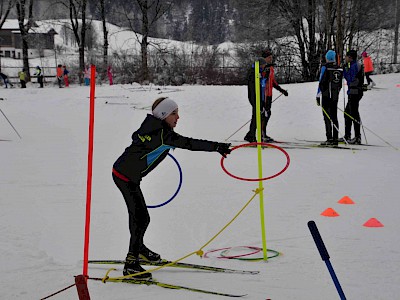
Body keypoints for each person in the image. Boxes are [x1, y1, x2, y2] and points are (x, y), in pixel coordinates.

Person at [112, 97, 231, 278]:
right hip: (125, 178)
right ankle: (131, 263)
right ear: (163, 115)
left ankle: (140, 250)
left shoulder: (152, 127)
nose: (178, 117)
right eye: (173, 113)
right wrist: (216, 147)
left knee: (140, 217)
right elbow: (189, 143)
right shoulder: (163, 135)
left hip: (125, 175)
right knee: (141, 218)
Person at [260, 50, 288, 142]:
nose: (270, 59)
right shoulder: (261, 68)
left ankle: (263, 133)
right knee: (264, 114)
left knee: (268, 113)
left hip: (269, 95)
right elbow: (261, 80)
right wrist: (265, 73)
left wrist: (281, 90)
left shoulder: (271, 68)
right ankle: (261, 134)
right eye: (269, 58)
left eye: (271, 57)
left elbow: (273, 82)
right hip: (263, 95)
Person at [316, 50, 343, 146]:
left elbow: (321, 82)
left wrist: (318, 96)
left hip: (326, 96)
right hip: (335, 97)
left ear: (327, 58)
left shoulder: (325, 67)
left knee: (327, 117)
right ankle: (335, 138)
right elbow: (340, 84)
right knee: (334, 117)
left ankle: (329, 138)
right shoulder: (339, 68)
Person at [339, 50, 364, 145]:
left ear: (350, 57)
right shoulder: (355, 65)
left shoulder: (354, 66)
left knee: (353, 114)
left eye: (346, 56)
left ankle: (357, 137)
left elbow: (350, 79)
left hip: (355, 92)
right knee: (348, 113)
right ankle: (348, 135)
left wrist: (345, 70)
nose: (345, 58)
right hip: (354, 91)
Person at [244, 57, 268, 143]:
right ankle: (251, 136)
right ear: (260, 64)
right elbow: (253, 88)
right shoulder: (253, 73)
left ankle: (250, 134)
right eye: (263, 65)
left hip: (259, 98)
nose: (264, 66)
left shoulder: (259, 72)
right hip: (255, 98)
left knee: (258, 117)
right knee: (256, 117)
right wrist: (257, 101)